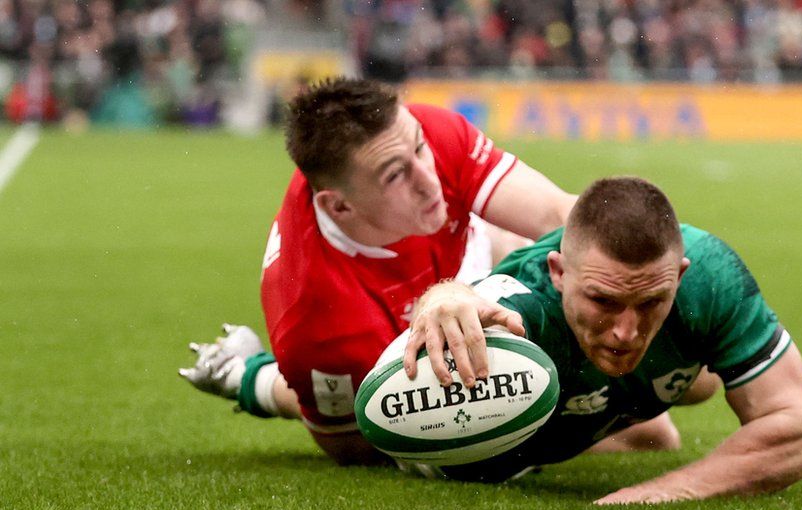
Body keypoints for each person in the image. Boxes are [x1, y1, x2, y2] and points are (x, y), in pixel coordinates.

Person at [179, 76, 583, 465]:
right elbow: (353, 445)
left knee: (534, 253)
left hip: (470, 256)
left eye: (420, 149)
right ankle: (249, 377)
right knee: (380, 401)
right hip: (372, 332)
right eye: (395, 175)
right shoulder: (316, 320)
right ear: (339, 207)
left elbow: (560, 215)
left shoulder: (424, 133)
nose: (430, 180)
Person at [404, 176, 802, 503]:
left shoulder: (709, 278)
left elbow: (800, 429)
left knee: (698, 390)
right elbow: (470, 303)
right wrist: (446, 294)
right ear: (559, 272)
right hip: (513, 414)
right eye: (603, 300)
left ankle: (627, 389)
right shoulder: (523, 302)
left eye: (650, 302)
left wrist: (667, 490)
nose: (627, 330)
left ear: (678, 275)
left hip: (619, 379)